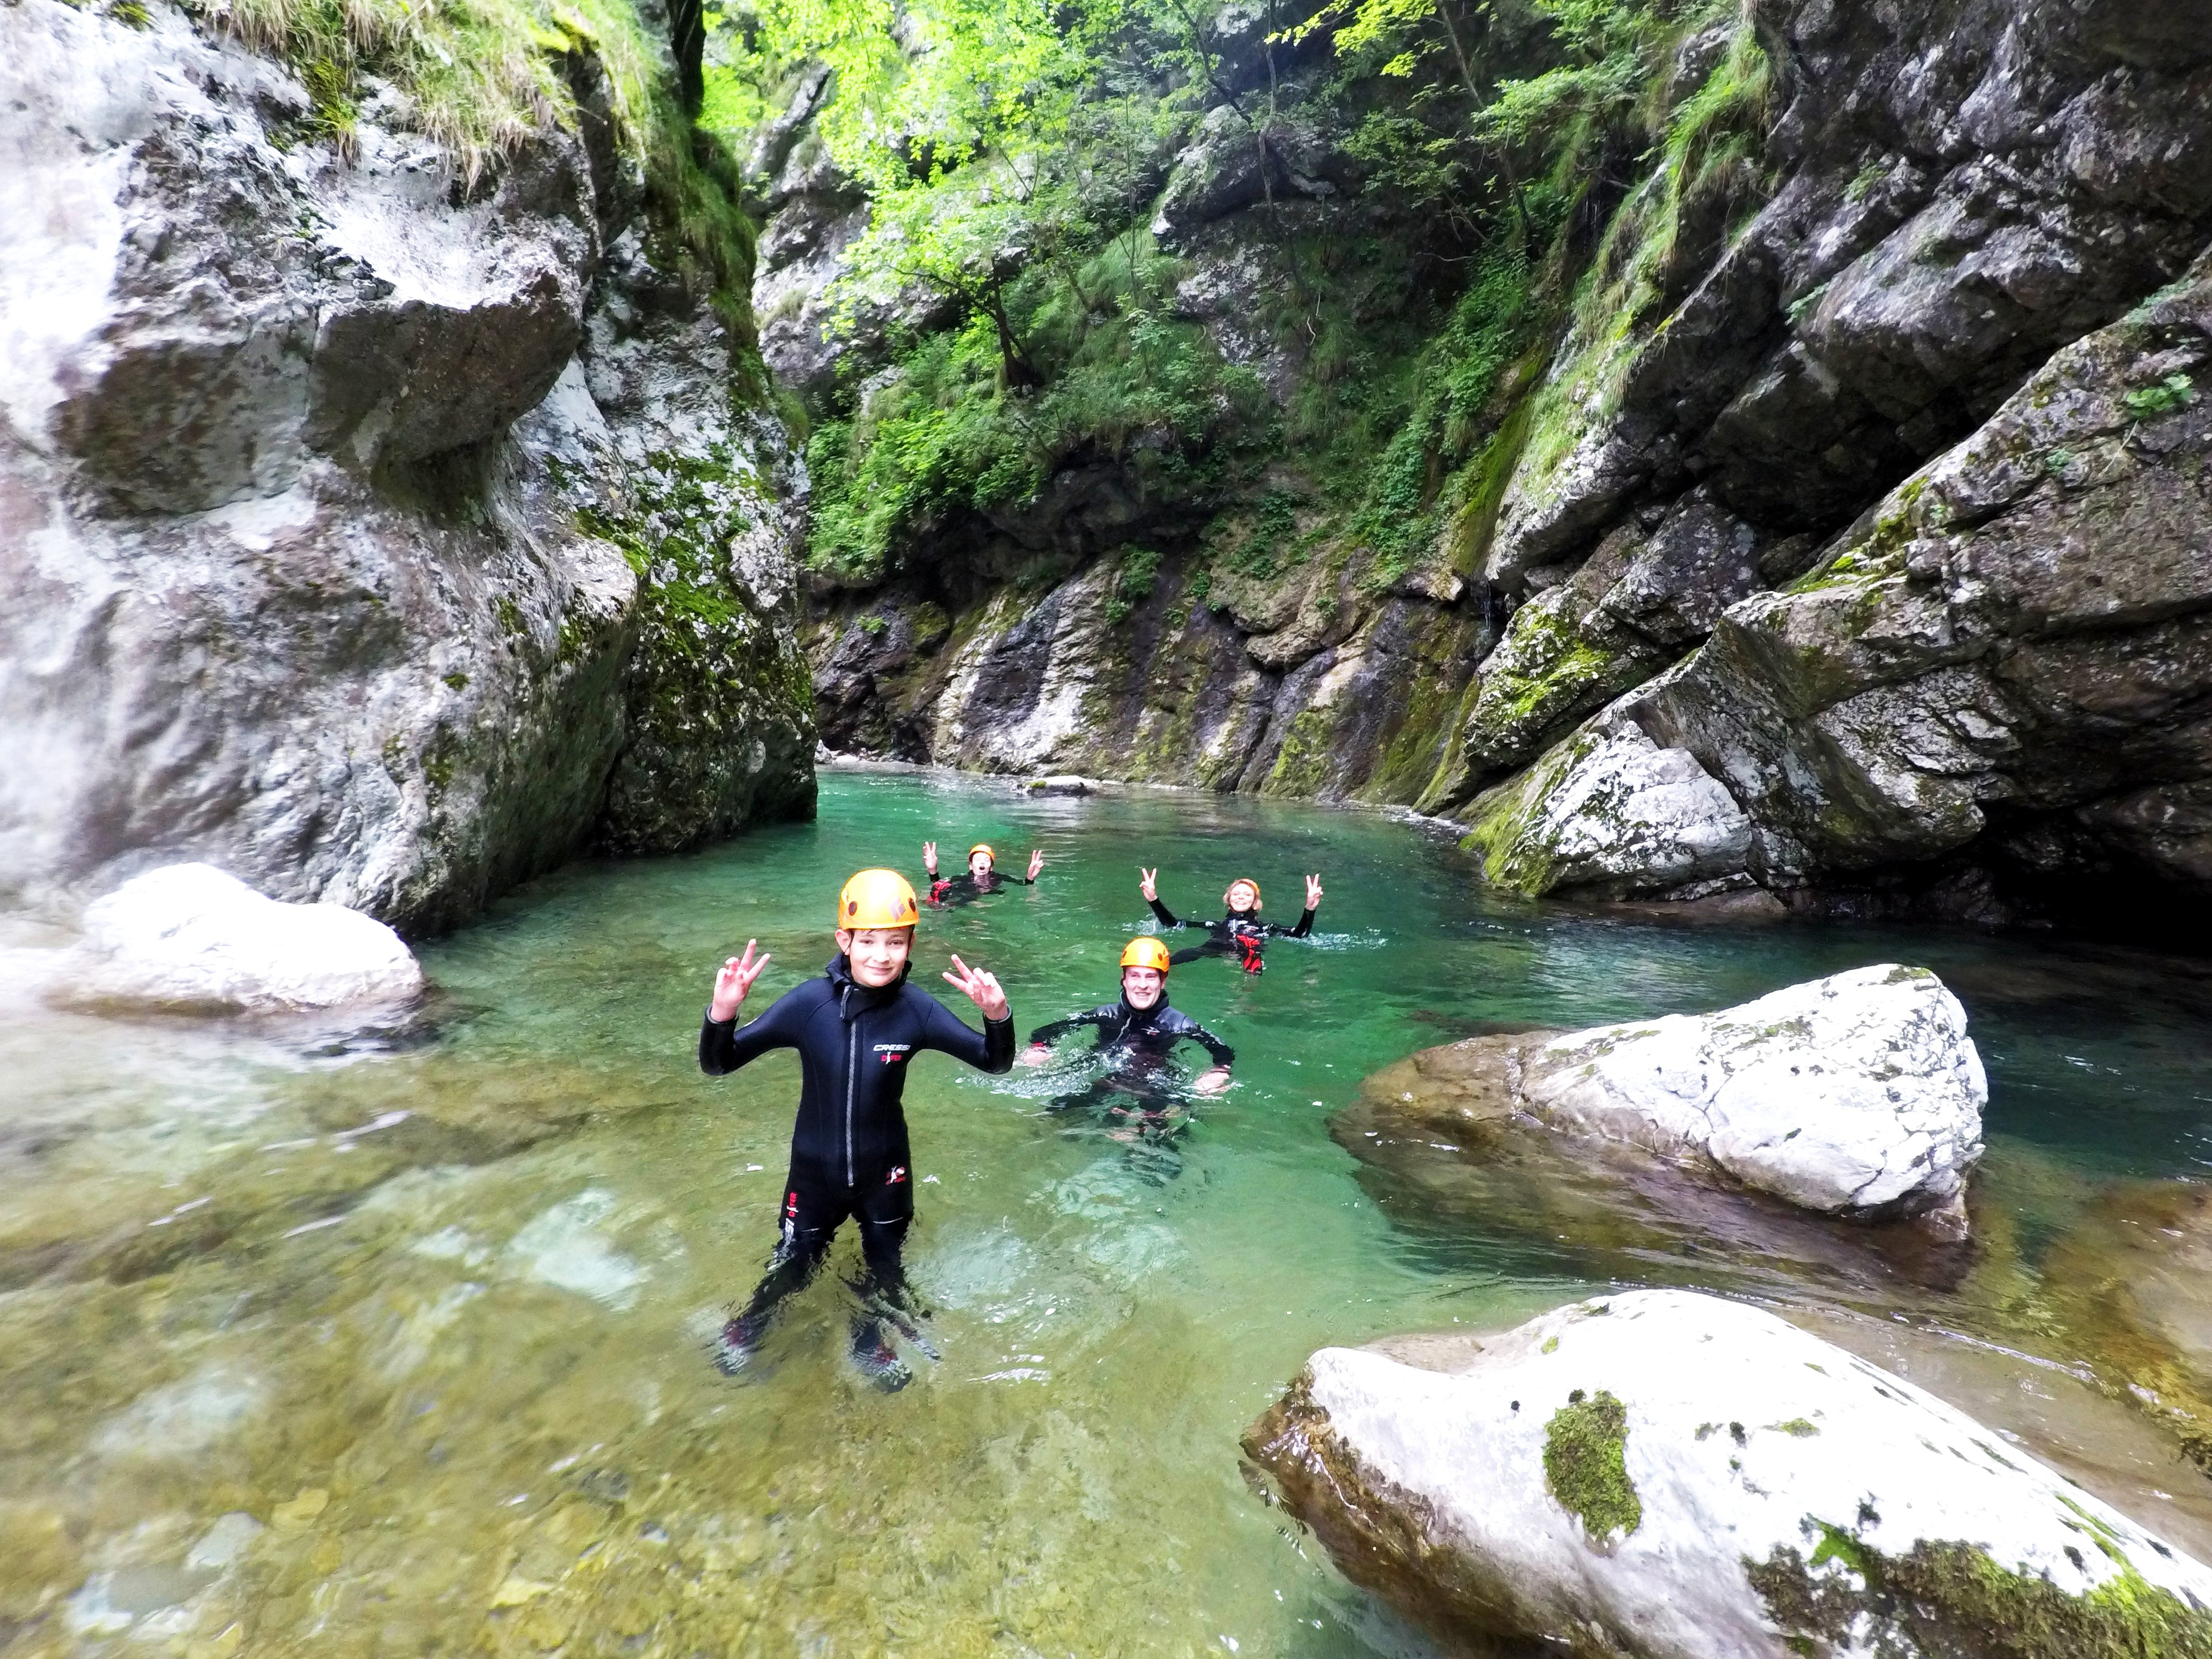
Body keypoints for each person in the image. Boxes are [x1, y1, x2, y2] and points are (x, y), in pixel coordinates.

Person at [697, 869, 1013, 1389]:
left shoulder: (918, 1010)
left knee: (887, 1269)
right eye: (867, 941)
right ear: (844, 941)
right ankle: (751, 1324)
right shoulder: (808, 1005)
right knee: (793, 1265)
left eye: (895, 941)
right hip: (813, 1175)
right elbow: (719, 1063)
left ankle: (872, 1337)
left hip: (885, 1175)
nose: (881, 955)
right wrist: (723, 1011)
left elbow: (993, 1063)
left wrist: (997, 1017)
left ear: (911, 942)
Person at [1018, 937, 1233, 1182]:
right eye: (1135, 976)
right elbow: (1047, 1032)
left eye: (1151, 977)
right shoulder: (1105, 1014)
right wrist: (1040, 1048)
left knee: (1162, 1159)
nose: (1142, 985)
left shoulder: (1178, 1024)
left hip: (1154, 1091)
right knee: (1046, 1122)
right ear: (1124, 980)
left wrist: (1219, 1072)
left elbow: (1223, 1052)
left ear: (1163, 982)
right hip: (1104, 1082)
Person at [1137, 869, 1324, 973]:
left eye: (1247, 894)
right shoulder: (1215, 926)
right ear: (1228, 899)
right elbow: (1173, 924)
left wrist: (1310, 908)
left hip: (1250, 953)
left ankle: (1248, 989)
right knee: (1194, 952)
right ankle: (1153, 969)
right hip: (1216, 949)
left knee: (1251, 952)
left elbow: (1300, 934)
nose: (1241, 897)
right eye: (1236, 893)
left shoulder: (1265, 928)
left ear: (1255, 902)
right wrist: (1153, 899)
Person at [921, 841, 1045, 908]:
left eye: (986, 860)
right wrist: (933, 871)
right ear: (970, 865)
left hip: (988, 901)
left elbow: (1023, 887)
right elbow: (939, 885)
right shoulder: (962, 880)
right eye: (978, 859)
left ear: (991, 867)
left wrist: (1030, 878)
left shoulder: (999, 879)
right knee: (945, 895)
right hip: (965, 900)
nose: (982, 862)